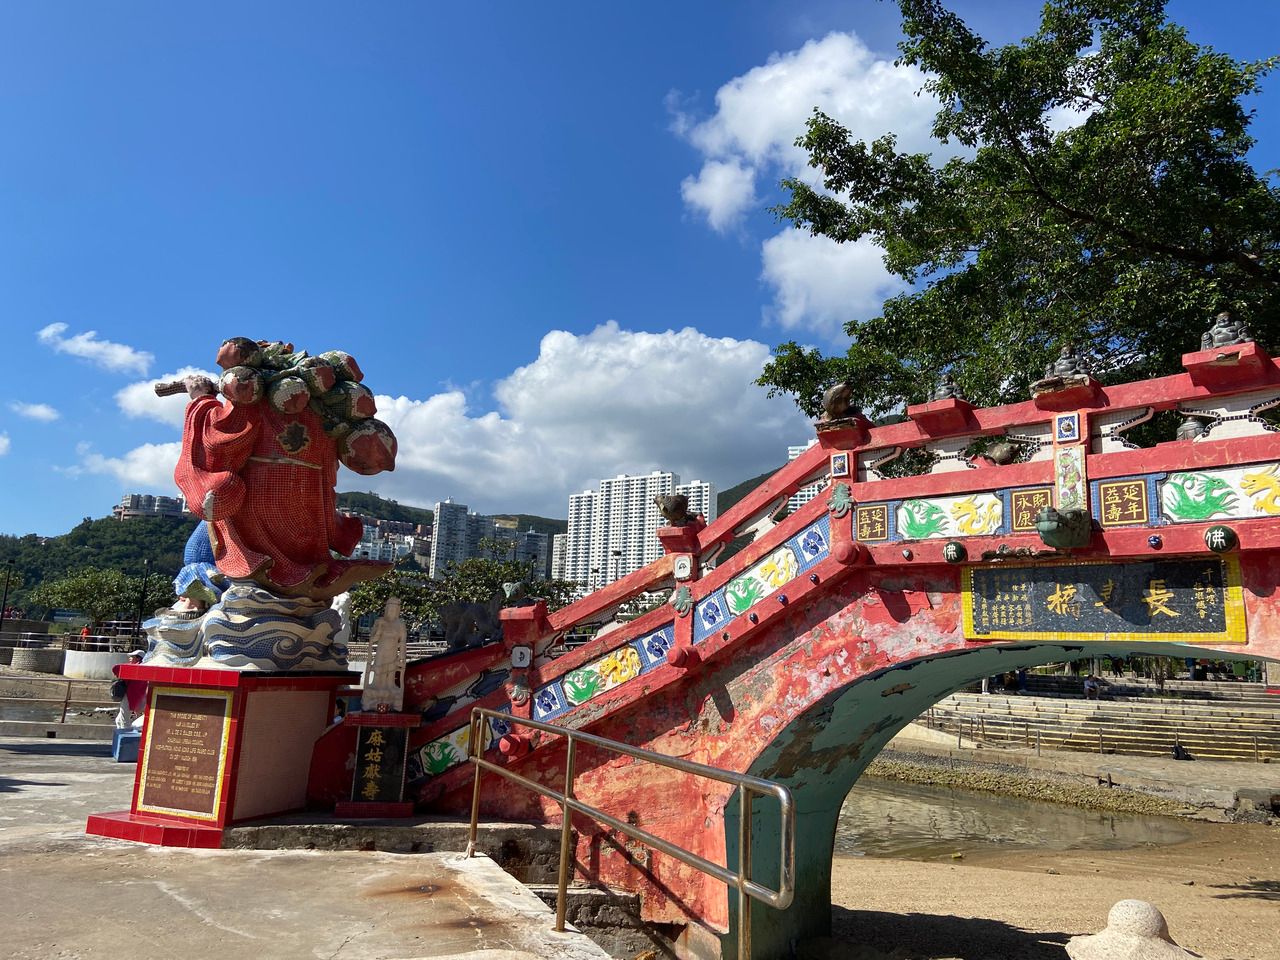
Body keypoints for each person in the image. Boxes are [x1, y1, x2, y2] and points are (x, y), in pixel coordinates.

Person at [113, 650, 147, 729]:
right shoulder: (144, 668)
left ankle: (126, 736)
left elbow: (116, 668)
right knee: (119, 720)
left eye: (132, 657)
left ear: (138, 658)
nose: (130, 658)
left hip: (130, 696)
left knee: (124, 720)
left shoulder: (135, 668)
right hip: (140, 697)